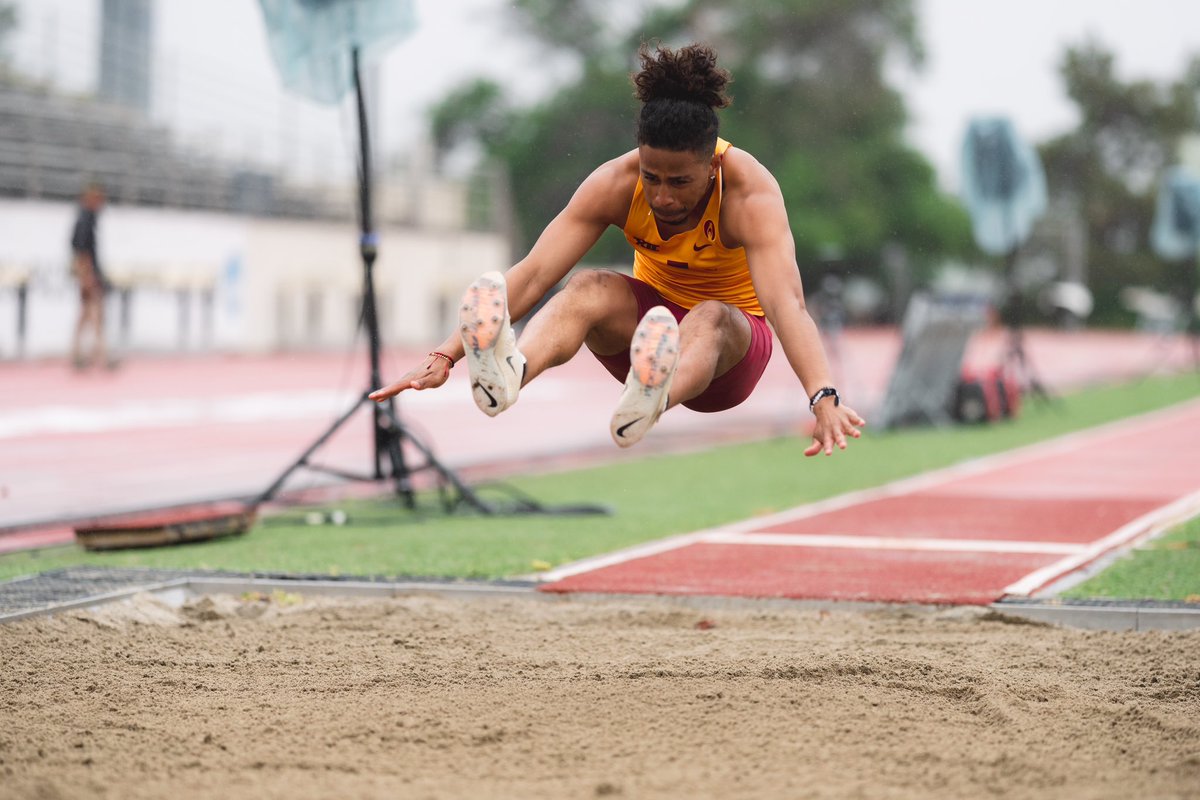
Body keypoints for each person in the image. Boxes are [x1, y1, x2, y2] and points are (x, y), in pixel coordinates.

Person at [371, 43, 865, 456]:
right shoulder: (614, 183)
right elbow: (538, 272)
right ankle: (510, 373)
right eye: (652, 178)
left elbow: (786, 305)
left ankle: (655, 395)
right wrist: (446, 354)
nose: (663, 196)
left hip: (729, 358)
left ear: (711, 169)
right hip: (648, 335)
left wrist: (822, 395)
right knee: (586, 285)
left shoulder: (749, 194)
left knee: (711, 315)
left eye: (680, 182)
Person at [69, 183, 113, 370]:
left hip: (88, 273)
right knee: (95, 315)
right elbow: (81, 251)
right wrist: (87, 276)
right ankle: (101, 356)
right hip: (89, 274)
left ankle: (78, 354)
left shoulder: (85, 219)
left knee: (86, 316)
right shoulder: (85, 220)